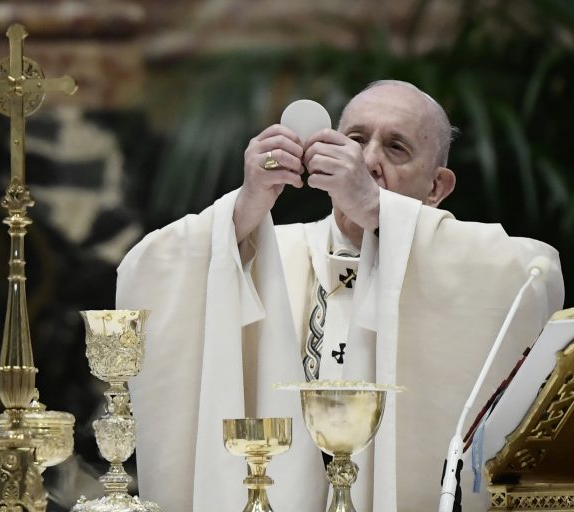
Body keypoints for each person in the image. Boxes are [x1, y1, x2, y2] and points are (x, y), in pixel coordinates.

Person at [115, 80, 564, 512]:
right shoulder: (266, 253)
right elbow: (147, 271)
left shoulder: (470, 259)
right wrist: (244, 206)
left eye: (396, 148)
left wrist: (377, 209)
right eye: (354, 139)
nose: (366, 160)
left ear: (436, 187)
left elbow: (534, 276)